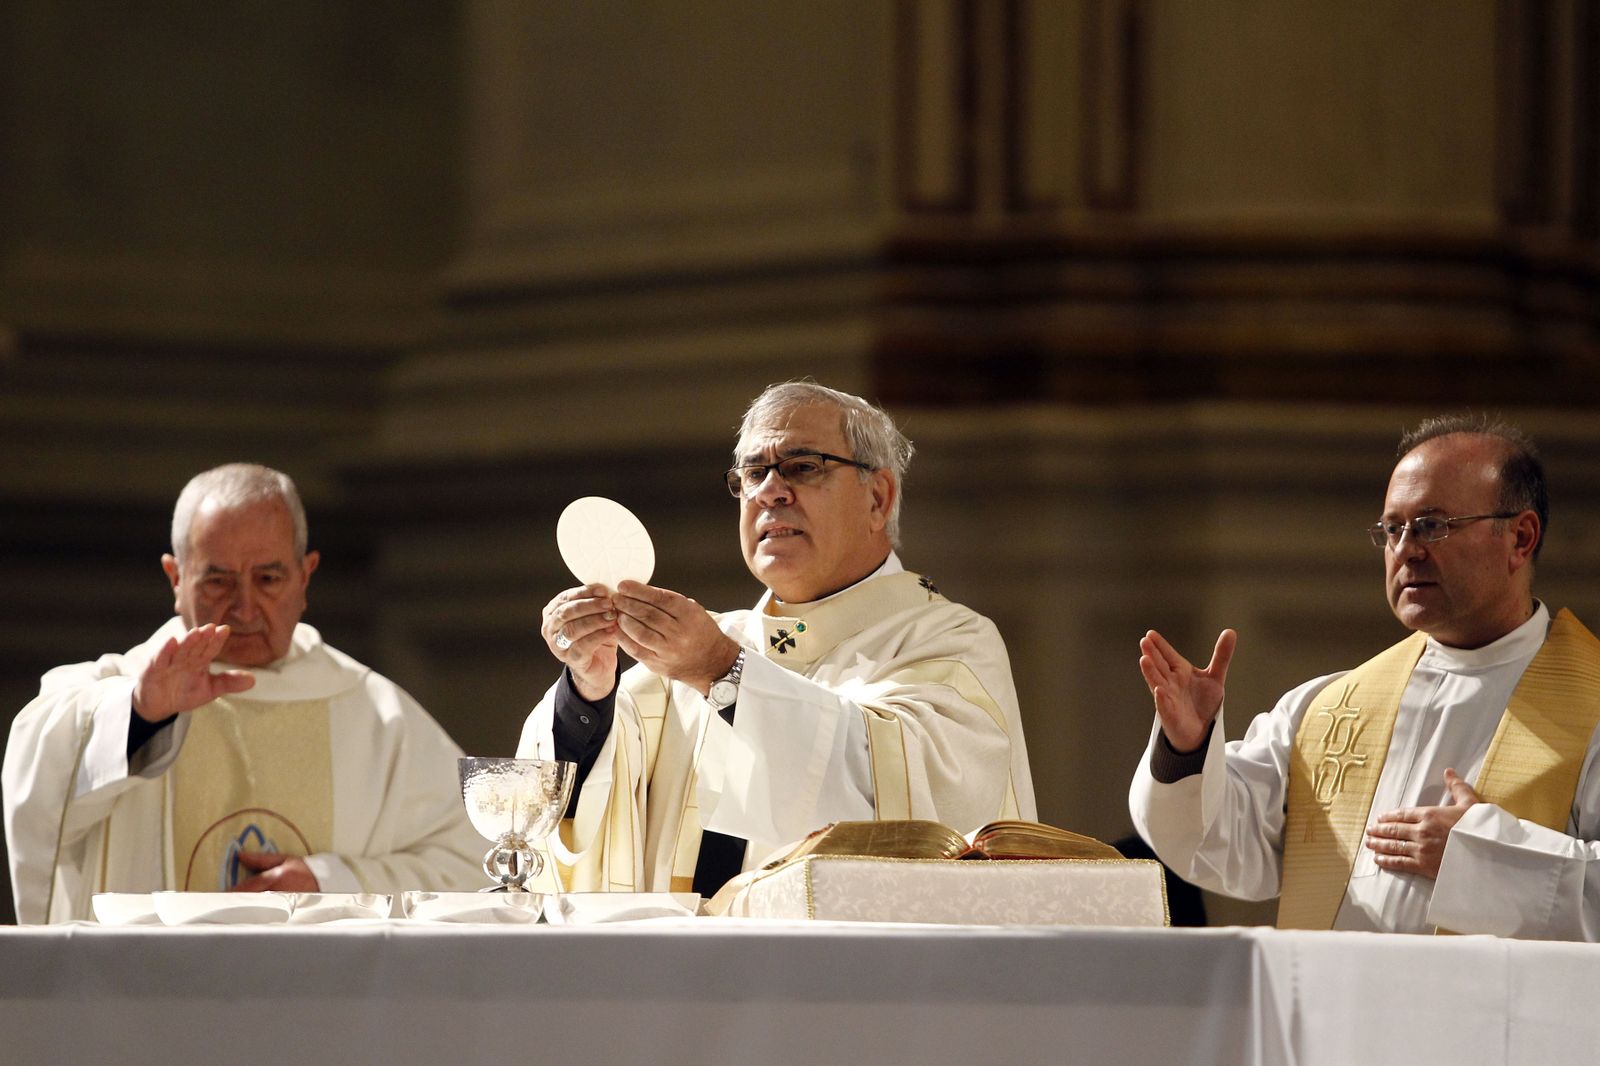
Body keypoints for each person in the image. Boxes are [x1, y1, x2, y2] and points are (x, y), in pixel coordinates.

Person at [518, 381, 1036, 897]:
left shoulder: (949, 642)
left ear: (878, 498)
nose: (769, 491)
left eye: (803, 466)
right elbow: (562, 805)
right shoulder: (694, 651)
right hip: (684, 971)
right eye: (753, 473)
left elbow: (910, 807)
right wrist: (588, 688)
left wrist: (726, 674)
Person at [1130, 414, 1600, 938]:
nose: (1406, 550)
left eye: (1433, 526)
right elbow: (1221, 849)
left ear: (1520, 537)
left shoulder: (1592, 707)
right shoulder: (1328, 706)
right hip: (1331, 1016)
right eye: (1392, 530)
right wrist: (1187, 747)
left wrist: (1483, 860)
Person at [4, 464, 482, 923]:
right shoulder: (115, 692)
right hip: (147, 997)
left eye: (268, 579)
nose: (245, 607)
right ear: (176, 578)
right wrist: (140, 716)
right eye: (218, 581)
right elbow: (35, 788)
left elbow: (477, 861)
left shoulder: (375, 714)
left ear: (305, 576)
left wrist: (331, 884)